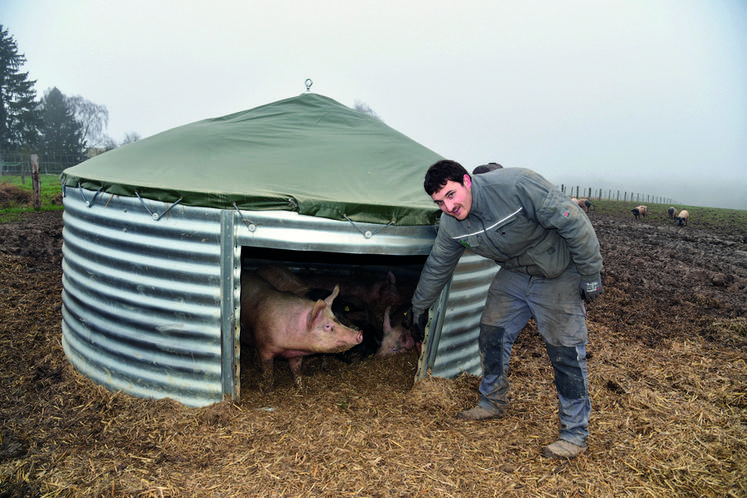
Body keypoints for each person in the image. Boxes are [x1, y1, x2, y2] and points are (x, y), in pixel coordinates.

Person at [404, 159, 603, 459]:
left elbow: (573, 220)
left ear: (466, 181)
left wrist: (590, 274)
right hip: (516, 272)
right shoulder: (452, 224)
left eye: (451, 195)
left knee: (565, 350)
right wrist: (419, 307)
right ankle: (492, 401)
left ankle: (575, 434)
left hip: (558, 271)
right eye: (439, 202)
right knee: (491, 332)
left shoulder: (517, 186)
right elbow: (438, 266)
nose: (448, 207)